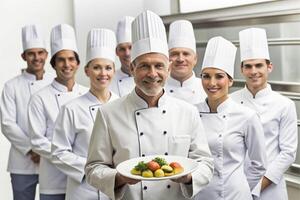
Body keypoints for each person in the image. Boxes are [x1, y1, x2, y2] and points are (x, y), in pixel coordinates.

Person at [85, 10, 213, 200]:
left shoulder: (188, 112)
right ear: (132, 68)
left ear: (168, 69)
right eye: (144, 66)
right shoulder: (108, 113)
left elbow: (205, 163)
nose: (153, 74)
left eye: (159, 66)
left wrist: (189, 177)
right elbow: (93, 168)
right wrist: (119, 178)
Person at [195, 36, 267, 200]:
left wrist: (238, 187)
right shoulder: (191, 113)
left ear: (230, 80)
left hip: (234, 195)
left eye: (219, 76)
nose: (211, 83)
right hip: (199, 195)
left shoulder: (247, 116)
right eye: (206, 76)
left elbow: (259, 164)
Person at [51, 28, 119, 200]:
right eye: (97, 67)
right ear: (87, 71)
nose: (103, 73)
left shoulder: (123, 105)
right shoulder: (71, 108)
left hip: (118, 188)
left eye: (108, 68)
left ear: (114, 71)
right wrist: (92, 169)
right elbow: (58, 152)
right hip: (83, 190)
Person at [231, 28, 298, 200]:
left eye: (259, 65)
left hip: (271, 190)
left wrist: (256, 187)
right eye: (248, 66)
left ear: (269, 67)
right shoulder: (229, 102)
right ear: (242, 69)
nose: (254, 71)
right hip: (234, 188)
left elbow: (288, 153)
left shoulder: (285, 105)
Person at [28, 24, 88, 200]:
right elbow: (37, 141)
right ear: (53, 63)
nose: (66, 64)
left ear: (78, 63)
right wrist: (71, 159)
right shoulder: (39, 98)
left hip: (84, 183)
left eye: (71, 59)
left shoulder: (87, 94)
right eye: (61, 59)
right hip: (54, 181)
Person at [0, 24, 53, 200]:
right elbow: (7, 123)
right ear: (24, 56)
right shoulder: (11, 86)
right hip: (22, 161)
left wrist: (44, 150)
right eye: (31, 53)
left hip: (51, 159)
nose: (36, 58)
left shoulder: (56, 83)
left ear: (46, 54)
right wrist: (31, 149)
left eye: (40, 53)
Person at [165, 20, 206, 105]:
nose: (180, 59)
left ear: (195, 59)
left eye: (186, 54)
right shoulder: (157, 89)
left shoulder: (207, 89)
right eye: (175, 54)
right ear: (167, 59)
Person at [109, 16, 135, 97]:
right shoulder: (108, 80)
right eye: (122, 49)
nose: (127, 53)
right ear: (116, 52)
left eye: (130, 48)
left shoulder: (149, 77)